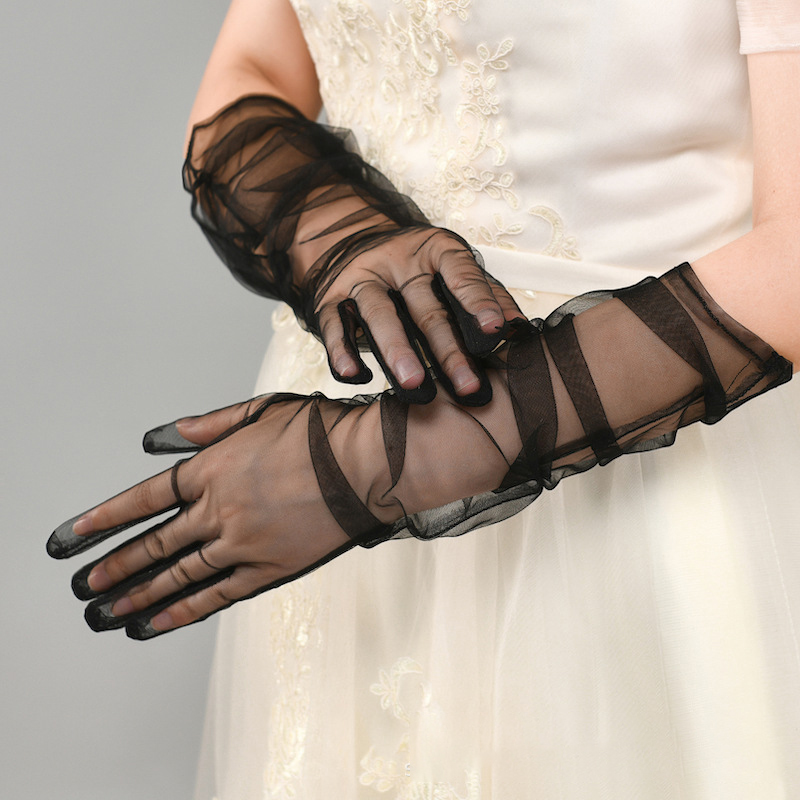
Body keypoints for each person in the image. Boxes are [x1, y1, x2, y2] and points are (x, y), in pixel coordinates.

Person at [47, 0, 800, 796]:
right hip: (336, 475)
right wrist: (336, 234)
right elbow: (252, 71)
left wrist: (367, 466)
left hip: (635, 458)